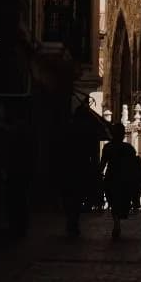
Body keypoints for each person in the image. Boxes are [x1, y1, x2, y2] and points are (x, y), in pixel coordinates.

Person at [59, 99, 104, 237]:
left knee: (69, 195)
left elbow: (60, 149)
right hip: (82, 168)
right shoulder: (90, 130)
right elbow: (94, 153)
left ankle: (71, 220)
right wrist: (95, 169)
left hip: (68, 168)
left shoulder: (68, 128)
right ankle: (74, 221)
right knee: (78, 197)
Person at [100, 123, 141, 240]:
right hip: (125, 179)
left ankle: (117, 222)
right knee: (121, 202)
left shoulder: (108, 147)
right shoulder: (129, 148)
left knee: (113, 201)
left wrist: (98, 175)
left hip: (111, 178)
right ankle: (118, 221)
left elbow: (102, 164)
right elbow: (134, 166)